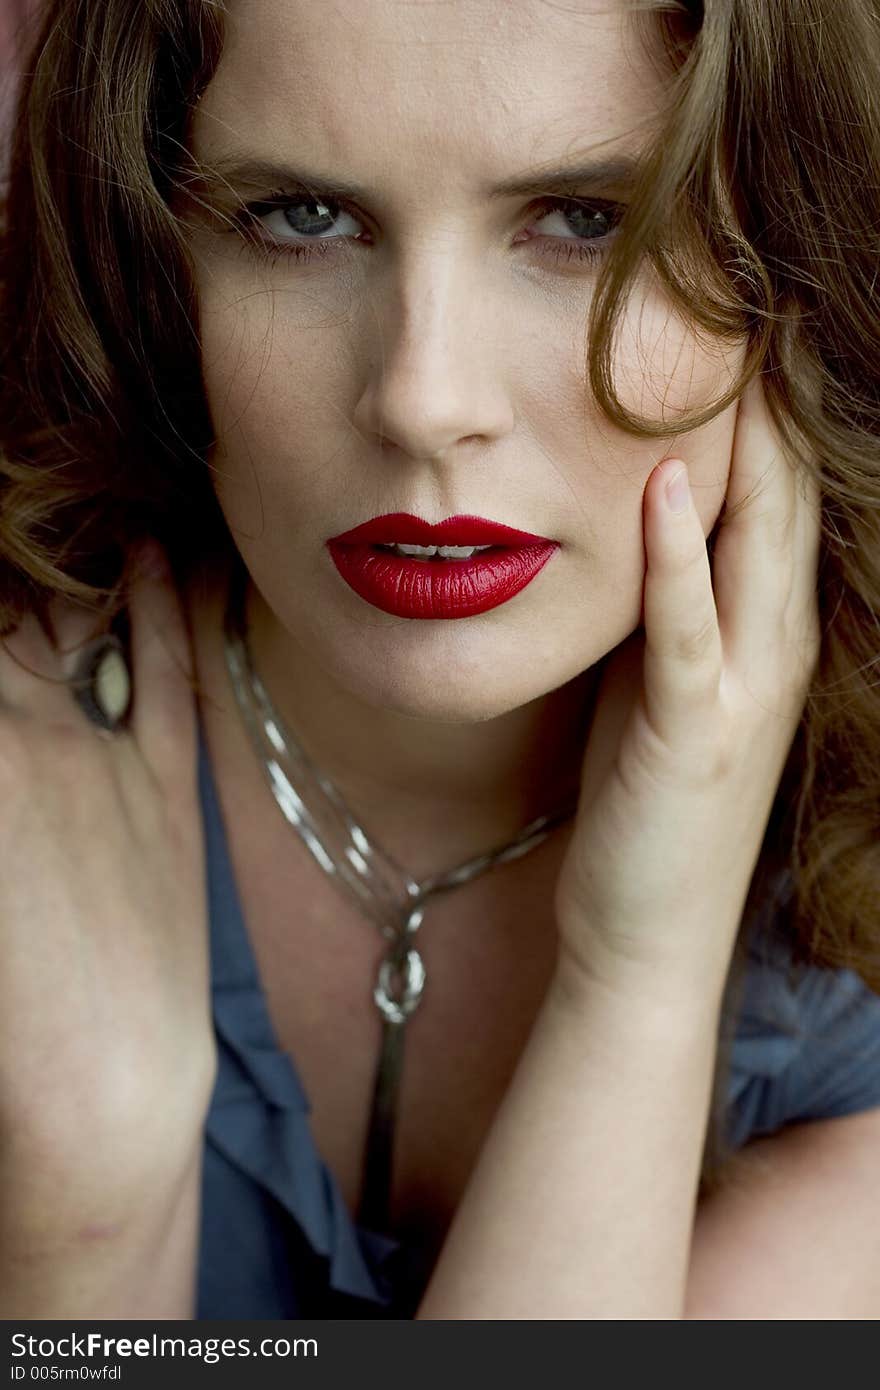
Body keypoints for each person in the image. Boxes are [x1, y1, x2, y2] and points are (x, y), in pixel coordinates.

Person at [1, 0, 879, 1321]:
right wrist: (87, 1201)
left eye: (589, 218)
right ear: (151, 256)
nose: (423, 397)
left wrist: (637, 981)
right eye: (301, 216)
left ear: (803, 265)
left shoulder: (845, 987)